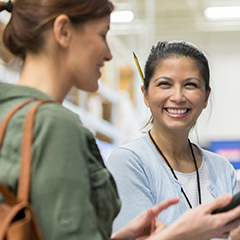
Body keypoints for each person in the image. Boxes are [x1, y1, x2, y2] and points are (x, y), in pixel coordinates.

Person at [0, 1, 240, 239]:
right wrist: (181, 234)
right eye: (102, 35)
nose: (109, 53)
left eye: (191, 85)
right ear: (63, 31)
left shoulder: (13, 111)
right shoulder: (54, 125)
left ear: (206, 96)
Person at [107, 40, 240, 240]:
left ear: (205, 98)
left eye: (190, 85)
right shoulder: (128, 162)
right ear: (145, 94)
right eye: (165, 84)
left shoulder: (222, 168)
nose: (178, 96)